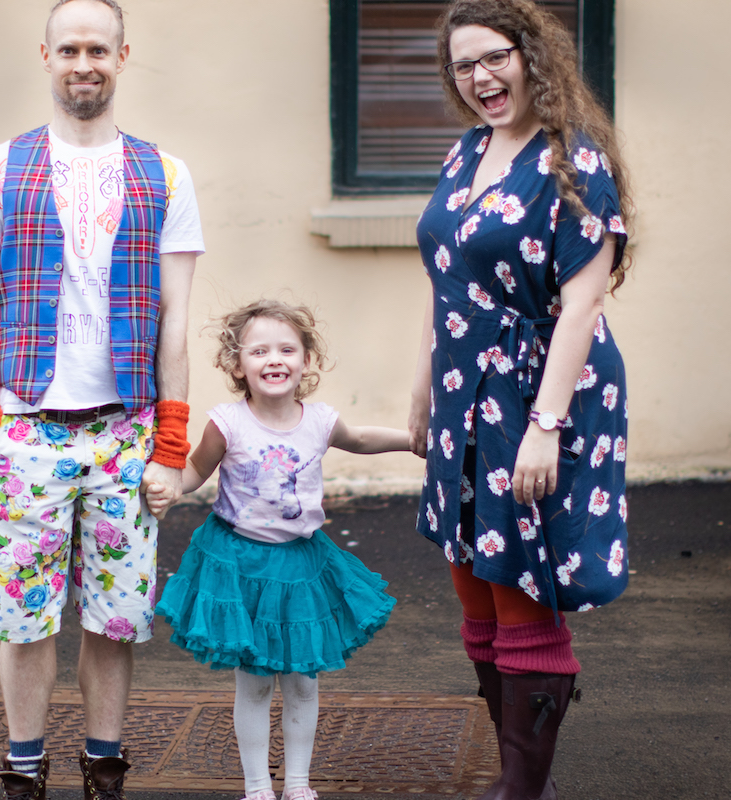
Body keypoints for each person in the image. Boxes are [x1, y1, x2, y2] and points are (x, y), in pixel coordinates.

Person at [0, 1, 204, 798]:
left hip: (124, 432)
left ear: (124, 56)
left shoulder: (166, 172)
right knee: (24, 616)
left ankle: (104, 762)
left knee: (116, 615)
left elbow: (175, 319)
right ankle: (24, 764)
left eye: (99, 48)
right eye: (69, 49)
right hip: (25, 429)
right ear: (46, 55)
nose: (83, 62)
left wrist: (170, 441)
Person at [407, 1, 634, 797]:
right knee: (471, 571)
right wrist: (423, 390)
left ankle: (519, 786)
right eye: (465, 65)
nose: (481, 77)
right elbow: (445, 284)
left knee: (519, 575)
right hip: (463, 388)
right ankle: (512, 755)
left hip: (539, 390)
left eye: (495, 57)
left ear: (532, 55)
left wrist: (546, 426)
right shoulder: (465, 152)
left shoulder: (577, 160)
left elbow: (582, 305)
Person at [148, 300, 407, 800]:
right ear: (237, 364)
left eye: (287, 349)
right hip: (239, 566)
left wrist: (414, 439)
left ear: (306, 360)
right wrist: (163, 484)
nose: (275, 359)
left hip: (301, 567)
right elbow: (196, 471)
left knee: (303, 683)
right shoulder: (226, 423)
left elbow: (361, 438)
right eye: (260, 350)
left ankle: (299, 783)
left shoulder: (321, 421)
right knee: (255, 684)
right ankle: (256, 786)